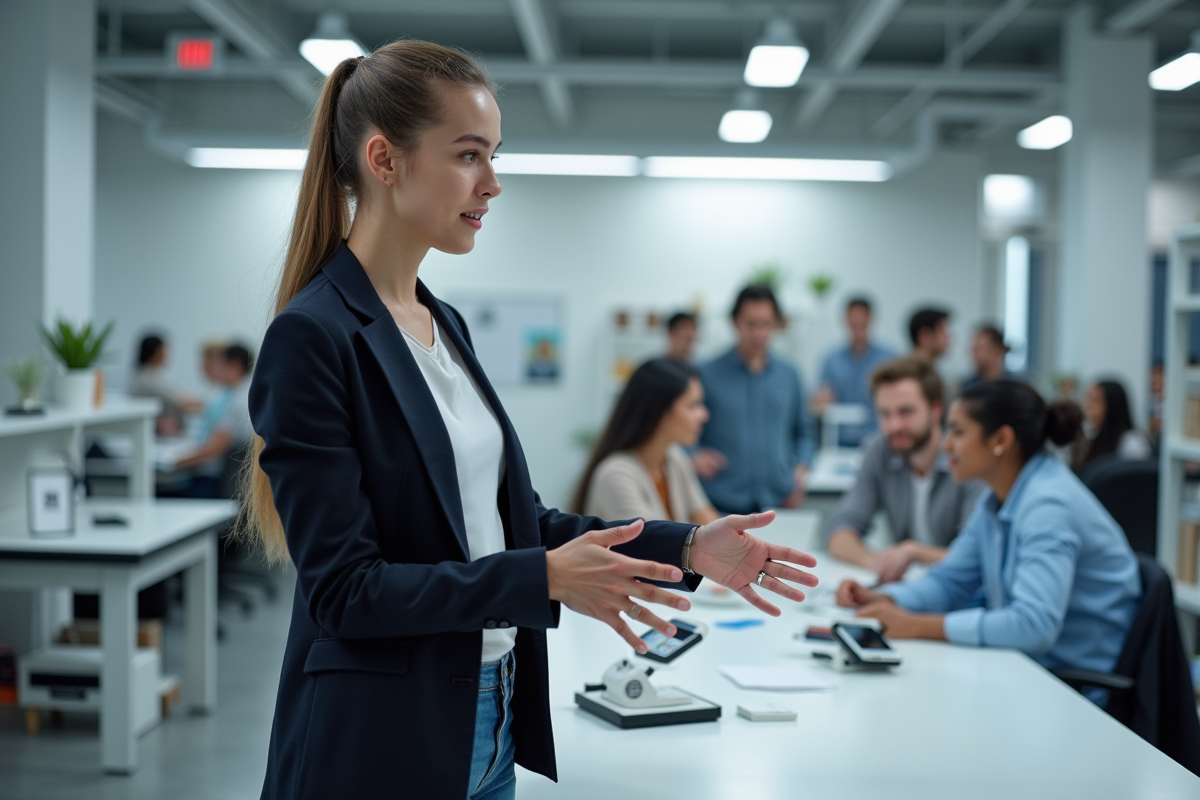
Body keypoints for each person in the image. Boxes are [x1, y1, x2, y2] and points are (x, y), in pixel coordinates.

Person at [237, 42, 818, 800]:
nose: (493, 183)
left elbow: (516, 520)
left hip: (493, 711)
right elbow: (347, 592)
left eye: (494, 155)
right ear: (385, 160)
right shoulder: (314, 335)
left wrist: (688, 546)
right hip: (384, 733)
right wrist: (540, 578)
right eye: (469, 156)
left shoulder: (442, 323)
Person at [836, 380, 1140, 703]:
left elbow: (1033, 625)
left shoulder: (1048, 506)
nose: (946, 445)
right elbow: (949, 581)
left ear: (1001, 440)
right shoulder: (998, 500)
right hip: (1028, 672)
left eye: (957, 432)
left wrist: (917, 625)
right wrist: (886, 598)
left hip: (1075, 694)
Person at [824, 357, 985, 583]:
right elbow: (840, 530)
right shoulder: (880, 449)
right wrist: (875, 563)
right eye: (885, 414)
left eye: (906, 412)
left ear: (936, 409)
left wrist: (914, 553)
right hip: (907, 591)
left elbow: (977, 556)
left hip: (960, 593)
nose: (894, 426)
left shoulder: (968, 457)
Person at [694, 284, 816, 513]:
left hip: (779, 503)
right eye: (751, 324)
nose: (758, 333)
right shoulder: (706, 373)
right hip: (721, 503)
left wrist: (801, 470)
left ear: (777, 325)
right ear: (734, 323)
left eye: (766, 324)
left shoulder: (790, 375)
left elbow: (804, 432)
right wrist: (693, 456)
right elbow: (681, 430)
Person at [574, 358, 719, 526]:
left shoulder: (675, 459)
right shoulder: (616, 475)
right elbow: (653, 546)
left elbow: (709, 521)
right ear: (660, 411)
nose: (704, 415)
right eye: (693, 406)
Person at [811, 296, 896, 447]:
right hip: (839, 442)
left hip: (879, 440)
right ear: (845, 321)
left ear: (871, 320)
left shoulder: (889, 358)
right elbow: (820, 402)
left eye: (862, 322)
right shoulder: (830, 359)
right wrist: (820, 401)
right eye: (853, 321)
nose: (857, 326)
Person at [171, 343, 254, 497]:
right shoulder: (249, 393)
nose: (217, 370)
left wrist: (174, 462)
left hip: (214, 480)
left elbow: (214, 449)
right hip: (235, 482)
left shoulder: (236, 401)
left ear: (235, 365)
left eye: (220, 365)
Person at [127, 333, 202, 435]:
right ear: (153, 353)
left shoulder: (155, 375)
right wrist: (211, 405)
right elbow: (183, 402)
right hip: (157, 433)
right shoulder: (146, 379)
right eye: (163, 350)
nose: (166, 355)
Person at [1074, 379, 1152, 473]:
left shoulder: (1132, 443)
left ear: (1113, 406)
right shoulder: (1091, 435)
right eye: (1088, 399)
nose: (1088, 405)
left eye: (1095, 400)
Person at [962, 325, 1020, 389]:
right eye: (973, 349)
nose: (973, 353)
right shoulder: (969, 386)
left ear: (996, 350)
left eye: (978, 348)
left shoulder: (1015, 386)